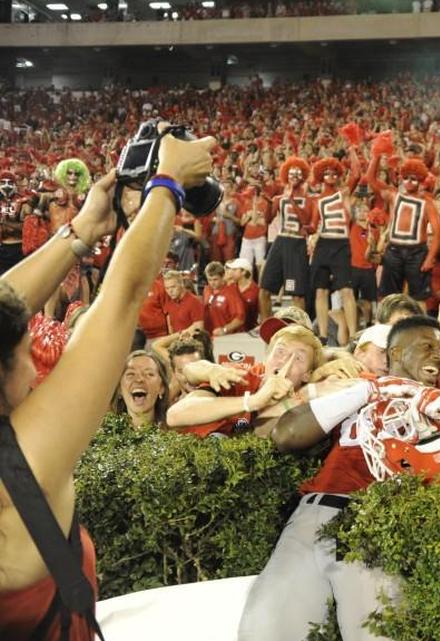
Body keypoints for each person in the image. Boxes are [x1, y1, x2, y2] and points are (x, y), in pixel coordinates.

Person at [0, 127, 215, 638]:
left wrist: (81, 231)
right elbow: (121, 297)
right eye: (27, 354)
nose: (36, 371)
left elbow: (5, 301)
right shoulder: (17, 468)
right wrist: (168, 185)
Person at [239, 316, 440, 641]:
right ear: (395, 352)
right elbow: (284, 434)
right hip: (314, 515)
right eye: (427, 346)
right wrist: (370, 390)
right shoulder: (356, 387)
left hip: (379, 529)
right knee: (266, 630)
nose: (438, 355)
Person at [165, 324, 324, 438]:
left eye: (298, 358)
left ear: (307, 375)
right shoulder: (239, 379)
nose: (285, 361)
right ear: (266, 358)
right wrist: (252, 401)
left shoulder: (307, 403)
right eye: (280, 351)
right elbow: (175, 415)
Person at [309, 154, 362, 344]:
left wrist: (352, 149)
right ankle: (322, 336)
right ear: (320, 176)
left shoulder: (344, 192)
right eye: (326, 173)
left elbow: (356, 173)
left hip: (341, 244)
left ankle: (354, 335)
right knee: (320, 291)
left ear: (338, 174)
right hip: (323, 244)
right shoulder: (316, 199)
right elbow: (312, 225)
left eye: (333, 173)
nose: (330, 176)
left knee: (346, 290)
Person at [375, 158, 440, 306]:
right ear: (401, 177)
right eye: (406, 178)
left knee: (419, 298)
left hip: (417, 253)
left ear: (420, 180)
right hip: (394, 250)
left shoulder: (427, 203)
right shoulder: (394, 196)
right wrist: (376, 156)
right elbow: (371, 179)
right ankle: (386, 328)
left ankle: (419, 328)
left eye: (413, 178)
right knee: (388, 296)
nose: (409, 182)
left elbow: (438, 233)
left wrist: (430, 258)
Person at [259, 157, 312, 322]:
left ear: (302, 176)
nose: (293, 177)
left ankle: (301, 328)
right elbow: (268, 220)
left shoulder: (307, 198)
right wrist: (268, 202)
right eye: (291, 174)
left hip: (297, 243)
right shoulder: (280, 198)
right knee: (264, 288)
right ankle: (267, 325)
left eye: (297, 174)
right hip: (280, 241)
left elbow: (306, 220)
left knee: (297, 294)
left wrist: (291, 200)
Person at [110, 349, 171, 429]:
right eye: (131, 374)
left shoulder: (176, 434)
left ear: (161, 387)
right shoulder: (102, 435)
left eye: (149, 374)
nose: (139, 379)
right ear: (119, 389)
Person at [202, 261, 246, 337]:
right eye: (209, 280)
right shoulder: (207, 290)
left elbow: (240, 319)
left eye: (215, 279)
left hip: (227, 338)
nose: (212, 283)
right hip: (209, 337)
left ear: (223, 277)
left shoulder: (231, 293)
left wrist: (224, 329)